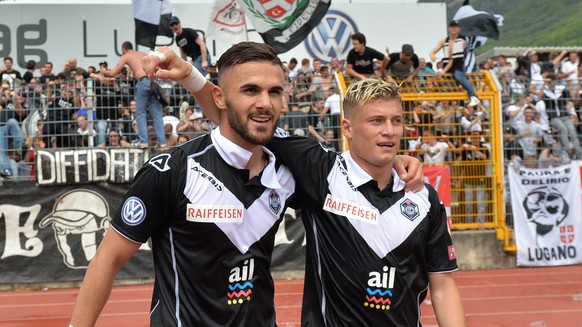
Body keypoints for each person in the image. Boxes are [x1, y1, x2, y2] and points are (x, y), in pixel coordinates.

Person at [144, 45, 460, 326]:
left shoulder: (424, 197)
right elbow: (236, 118)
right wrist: (190, 75)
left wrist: (395, 159)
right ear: (347, 128)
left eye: (396, 121)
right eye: (376, 121)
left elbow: (443, 286)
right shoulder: (319, 170)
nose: (389, 131)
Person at [100, 41, 166, 149]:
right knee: (157, 114)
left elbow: (113, 72)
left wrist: (103, 71)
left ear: (123, 50)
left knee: (140, 113)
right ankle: (162, 142)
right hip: (153, 81)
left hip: (143, 82)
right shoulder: (142, 53)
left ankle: (143, 141)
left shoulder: (126, 56)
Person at [429, 20, 480, 107]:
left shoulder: (461, 40)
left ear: (459, 28)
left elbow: (453, 59)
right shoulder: (444, 41)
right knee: (448, 85)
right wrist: (432, 55)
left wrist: (443, 71)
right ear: (449, 28)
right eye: (452, 26)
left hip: (457, 65)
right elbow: (433, 51)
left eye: (455, 26)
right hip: (447, 66)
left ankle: (473, 96)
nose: (453, 28)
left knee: (458, 76)